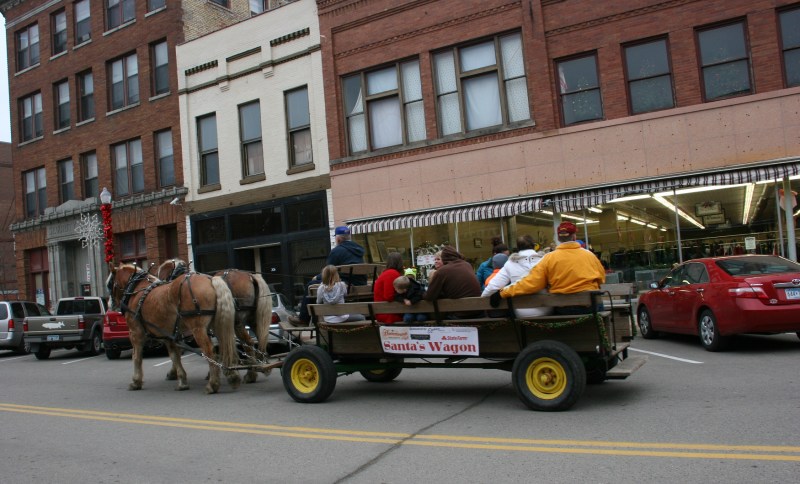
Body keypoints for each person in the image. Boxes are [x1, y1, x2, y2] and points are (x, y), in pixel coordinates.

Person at [496, 222, 606, 314]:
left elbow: (531, 283)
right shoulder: (589, 255)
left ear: (558, 238)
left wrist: (502, 293)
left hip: (565, 308)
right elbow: (602, 278)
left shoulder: (549, 258)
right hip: (592, 305)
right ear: (574, 237)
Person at [289, 225, 366, 325]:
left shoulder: (337, 251)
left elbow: (329, 273)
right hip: (360, 284)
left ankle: (303, 319)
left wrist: (317, 277)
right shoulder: (359, 250)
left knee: (310, 284)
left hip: (346, 283)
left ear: (338, 239)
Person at [482, 235, 552, 317]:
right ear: (534, 246)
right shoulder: (545, 260)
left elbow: (493, 286)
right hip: (547, 308)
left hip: (521, 312)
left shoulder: (510, 263)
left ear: (518, 248)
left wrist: (482, 298)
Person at [424, 246, 481, 318]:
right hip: (478, 310)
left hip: (461, 313)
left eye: (439, 259)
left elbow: (429, 296)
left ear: (444, 258)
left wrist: (421, 294)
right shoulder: (467, 264)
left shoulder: (442, 271)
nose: (435, 261)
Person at [373, 252, 404, 324]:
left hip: (385, 310)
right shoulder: (392, 273)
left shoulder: (387, 272)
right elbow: (389, 296)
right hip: (388, 313)